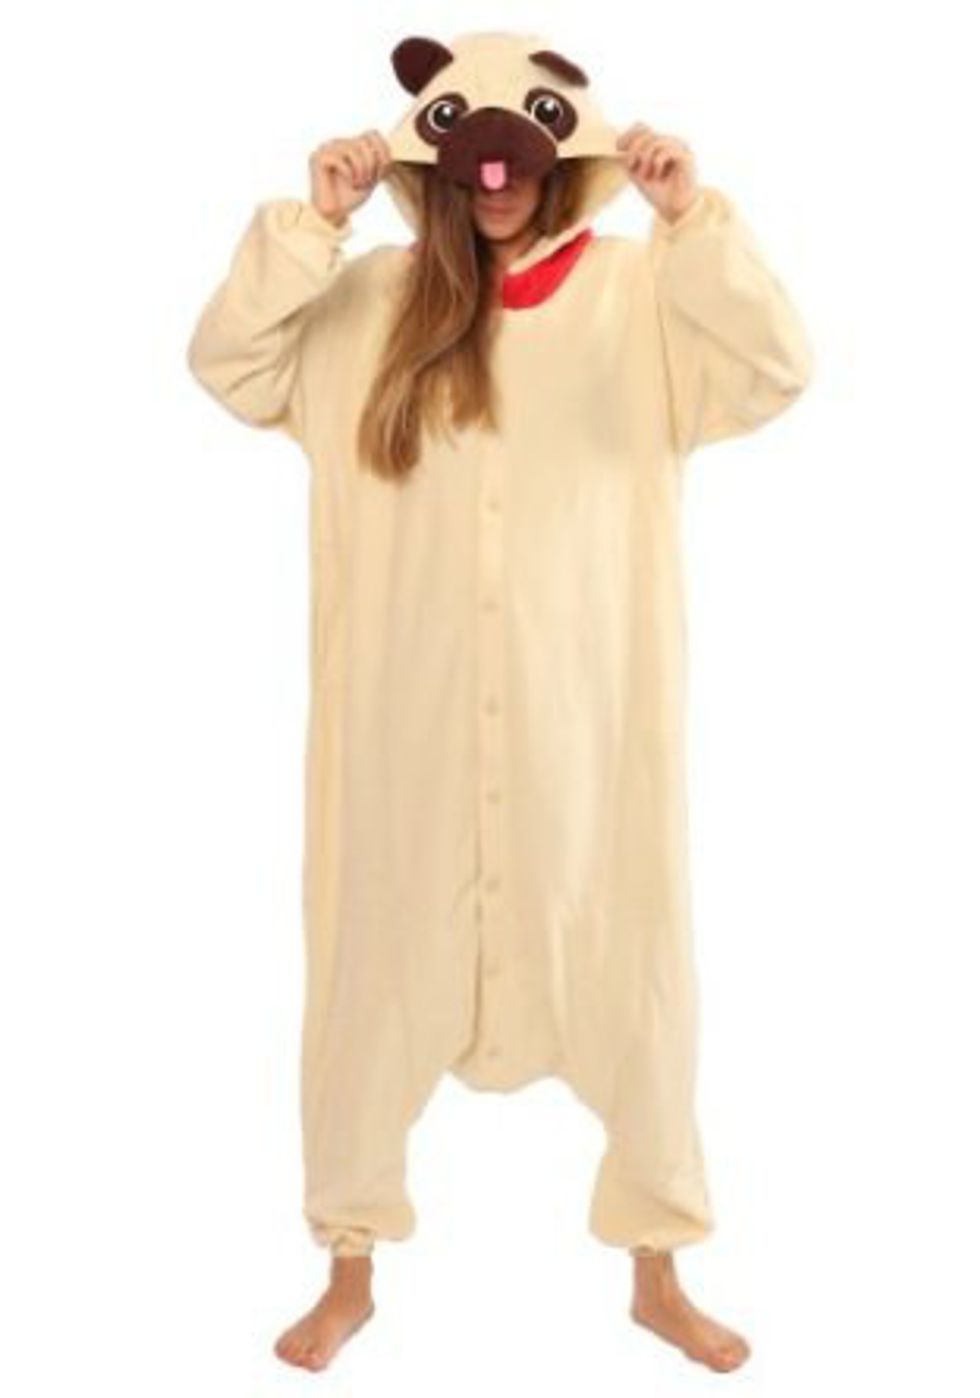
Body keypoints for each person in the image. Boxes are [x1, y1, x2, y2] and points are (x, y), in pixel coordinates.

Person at [186, 29, 812, 1377]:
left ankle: (659, 1270)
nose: (498, 180)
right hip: (402, 736)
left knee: (632, 971)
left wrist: (692, 219)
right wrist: (313, 223)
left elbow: (775, 368)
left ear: (564, 159)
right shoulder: (365, 307)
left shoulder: (643, 297)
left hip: (588, 733)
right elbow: (229, 364)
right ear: (431, 171)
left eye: (522, 152)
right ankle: (348, 1265)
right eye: (468, 159)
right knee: (367, 978)